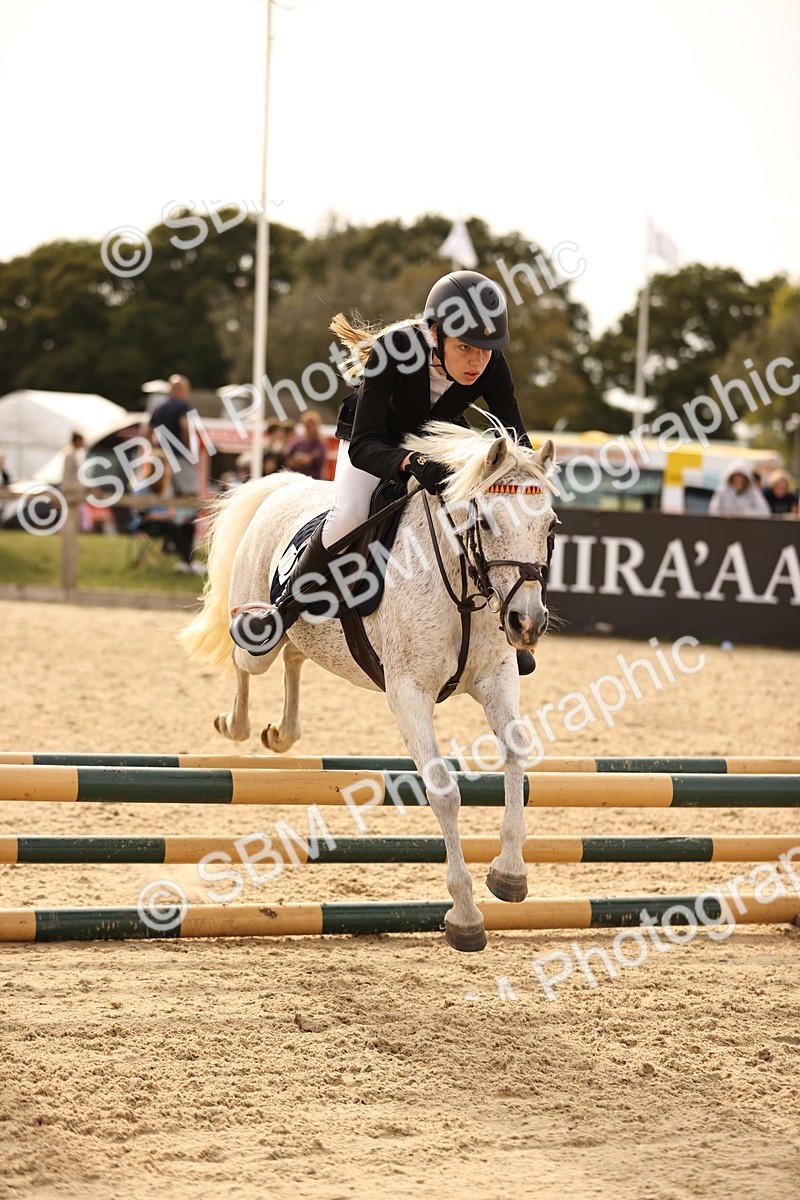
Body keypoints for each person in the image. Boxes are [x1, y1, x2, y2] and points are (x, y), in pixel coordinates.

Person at [231, 269, 537, 673]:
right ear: (435, 335)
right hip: (374, 439)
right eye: (465, 347)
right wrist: (409, 463)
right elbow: (363, 446)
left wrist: (527, 481)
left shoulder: (491, 363)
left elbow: (517, 440)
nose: (477, 361)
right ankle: (282, 611)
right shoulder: (393, 351)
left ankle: (502, 627)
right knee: (351, 514)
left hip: (435, 438)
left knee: (475, 514)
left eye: (486, 348)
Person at [148, 375, 198, 498]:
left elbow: (148, 432)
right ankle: (185, 517)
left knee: (164, 492)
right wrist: (187, 449)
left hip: (162, 458)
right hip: (179, 456)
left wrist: (153, 451)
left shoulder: (158, 408)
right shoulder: (183, 406)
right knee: (189, 492)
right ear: (183, 389)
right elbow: (185, 426)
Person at [283, 412, 328, 479]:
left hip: (314, 480)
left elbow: (319, 461)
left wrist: (301, 459)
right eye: (307, 425)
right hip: (297, 480)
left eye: (311, 425)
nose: (309, 428)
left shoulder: (320, 444)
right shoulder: (296, 443)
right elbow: (287, 461)